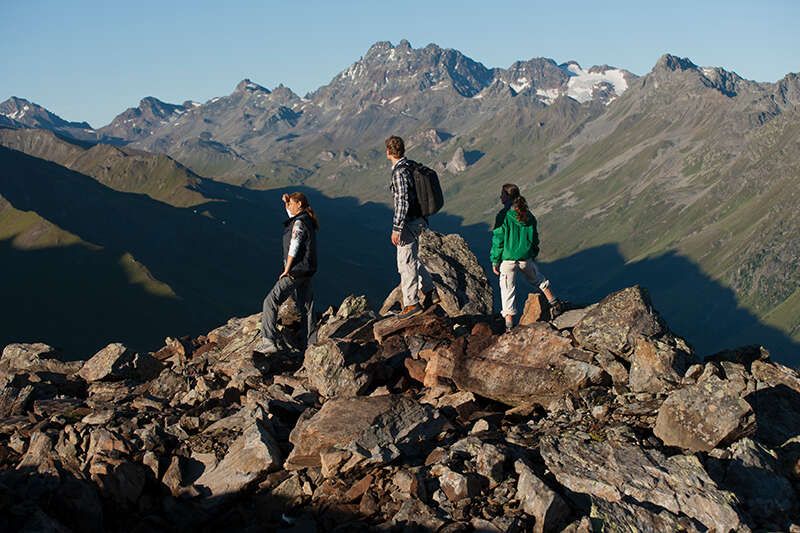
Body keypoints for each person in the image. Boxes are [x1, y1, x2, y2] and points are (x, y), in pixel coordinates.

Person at [490, 183, 563, 331]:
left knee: (507, 290)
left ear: (507, 197)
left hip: (508, 260)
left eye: (502, 194)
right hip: (525, 258)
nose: (500, 197)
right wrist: (533, 253)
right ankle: (554, 302)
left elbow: (498, 239)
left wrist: (495, 260)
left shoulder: (503, 216)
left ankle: (509, 325)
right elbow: (534, 238)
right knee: (538, 278)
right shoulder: (528, 216)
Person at [255, 192, 318, 353]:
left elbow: (294, 247)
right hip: (307, 270)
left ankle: (268, 341)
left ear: (299, 205)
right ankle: (311, 344)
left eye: (291, 203)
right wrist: (286, 202)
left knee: (270, 301)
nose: (289, 206)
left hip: (295, 271)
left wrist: (287, 269)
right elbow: (291, 213)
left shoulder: (298, 223)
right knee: (307, 307)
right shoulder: (306, 219)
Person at [385, 135, 437, 318]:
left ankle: (411, 304)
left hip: (408, 223)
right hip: (419, 219)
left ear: (388, 152)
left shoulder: (399, 172)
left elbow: (402, 201)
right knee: (413, 258)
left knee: (405, 262)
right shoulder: (410, 166)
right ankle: (431, 290)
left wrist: (397, 228)